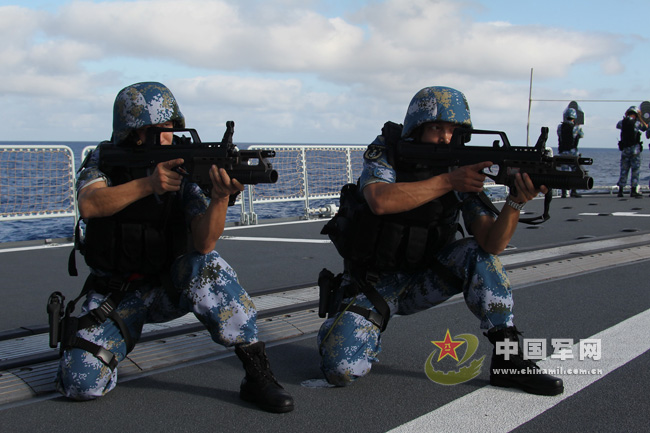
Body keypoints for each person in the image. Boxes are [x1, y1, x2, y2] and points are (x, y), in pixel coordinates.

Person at [56, 82, 294, 413]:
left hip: (169, 286)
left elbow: (204, 240)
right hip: (115, 295)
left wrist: (220, 197)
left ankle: (257, 372)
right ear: (132, 133)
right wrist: (147, 184)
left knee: (207, 265)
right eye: (157, 130)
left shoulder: (183, 165)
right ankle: (106, 349)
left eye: (170, 128)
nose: (167, 136)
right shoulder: (103, 161)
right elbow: (90, 205)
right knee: (79, 383)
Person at [317, 86, 564, 396]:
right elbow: (379, 200)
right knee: (340, 370)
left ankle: (509, 362)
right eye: (437, 127)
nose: (446, 137)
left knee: (478, 255)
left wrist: (515, 203)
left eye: (453, 130)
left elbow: (491, 243)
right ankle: (345, 326)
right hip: (372, 285)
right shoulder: (388, 152)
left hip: (425, 278)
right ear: (417, 126)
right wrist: (449, 181)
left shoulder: (458, 167)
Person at [616, 106, 647, 198]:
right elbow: (645, 127)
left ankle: (620, 190)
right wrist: (640, 117)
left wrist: (626, 117)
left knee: (624, 170)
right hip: (634, 150)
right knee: (635, 170)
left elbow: (617, 125)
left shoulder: (622, 123)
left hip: (625, 150)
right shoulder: (636, 123)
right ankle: (633, 190)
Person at [557, 108, 585, 198]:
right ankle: (574, 190)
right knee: (576, 172)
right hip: (572, 153)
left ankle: (564, 192)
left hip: (562, 153)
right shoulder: (576, 128)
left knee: (564, 173)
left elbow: (559, 135)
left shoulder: (560, 127)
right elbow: (581, 135)